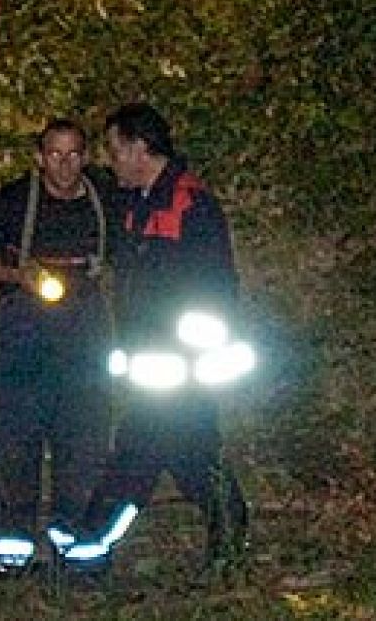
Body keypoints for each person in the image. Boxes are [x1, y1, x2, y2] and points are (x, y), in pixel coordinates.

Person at [61, 103, 249, 577]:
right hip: (151, 364)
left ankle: (87, 554)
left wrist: (191, 352)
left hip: (181, 368)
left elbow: (218, 290)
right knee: (188, 459)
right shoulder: (134, 204)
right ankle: (226, 548)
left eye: (115, 149)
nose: (112, 160)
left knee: (140, 458)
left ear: (140, 148)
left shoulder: (192, 207)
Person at [0, 118, 113, 577]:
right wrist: (18, 277)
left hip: (86, 330)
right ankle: (10, 552)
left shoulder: (104, 200)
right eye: (55, 154)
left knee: (84, 439)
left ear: (86, 156)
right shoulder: (11, 202)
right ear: (39, 157)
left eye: (73, 154)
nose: (64, 164)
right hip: (27, 331)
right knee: (17, 438)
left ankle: (79, 553)